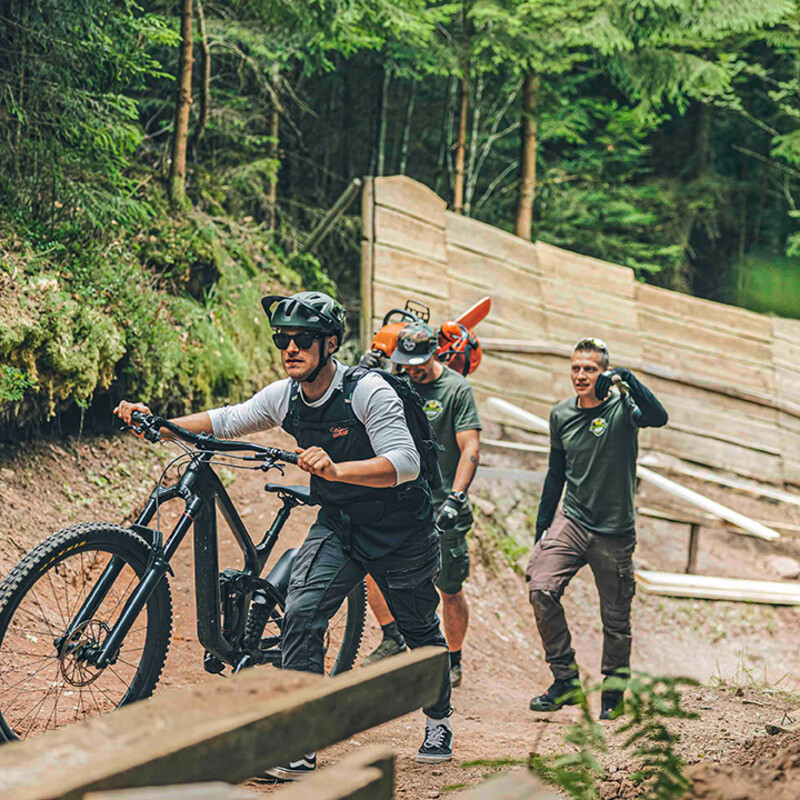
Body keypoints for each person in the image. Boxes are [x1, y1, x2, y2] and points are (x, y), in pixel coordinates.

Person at [114, 291, 453, 778]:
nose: (290, 348)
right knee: (301, 612)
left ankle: (439, 718)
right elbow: (228, 419)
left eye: (302, 340)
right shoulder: (286, 395)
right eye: (282, 339)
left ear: (330, 343)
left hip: (401, 529)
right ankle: (303, 739)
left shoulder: (368, 392)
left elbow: (404, 463)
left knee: (419, 630)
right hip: (339, 523)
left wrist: (336, 469)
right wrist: (160, 425)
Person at [526, 337, 668, 720]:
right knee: (541, 587)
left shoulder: (624, 408)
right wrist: (542, 528)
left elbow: (659, 417)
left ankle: (612, 693)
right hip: (572, 520)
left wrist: (626, 379)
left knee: (616, 619)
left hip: (614, 531)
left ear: (602, 371)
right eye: (576, 367)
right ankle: (565, 680)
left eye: (590, 368)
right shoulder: (560, 415)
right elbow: (556, 474)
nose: (581, 375)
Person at [359, 322, 481, 689]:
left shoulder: (456, 389)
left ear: (434, 354)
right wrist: (363, 372)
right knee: (372, 567)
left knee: (449, 585)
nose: (412, 369)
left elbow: (470, 449)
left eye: (418, 363)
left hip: (444, 502)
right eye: (405, 363)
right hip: (401, 498)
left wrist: (457, 499)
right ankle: (393, 637)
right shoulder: (394, 383)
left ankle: (453, 659)